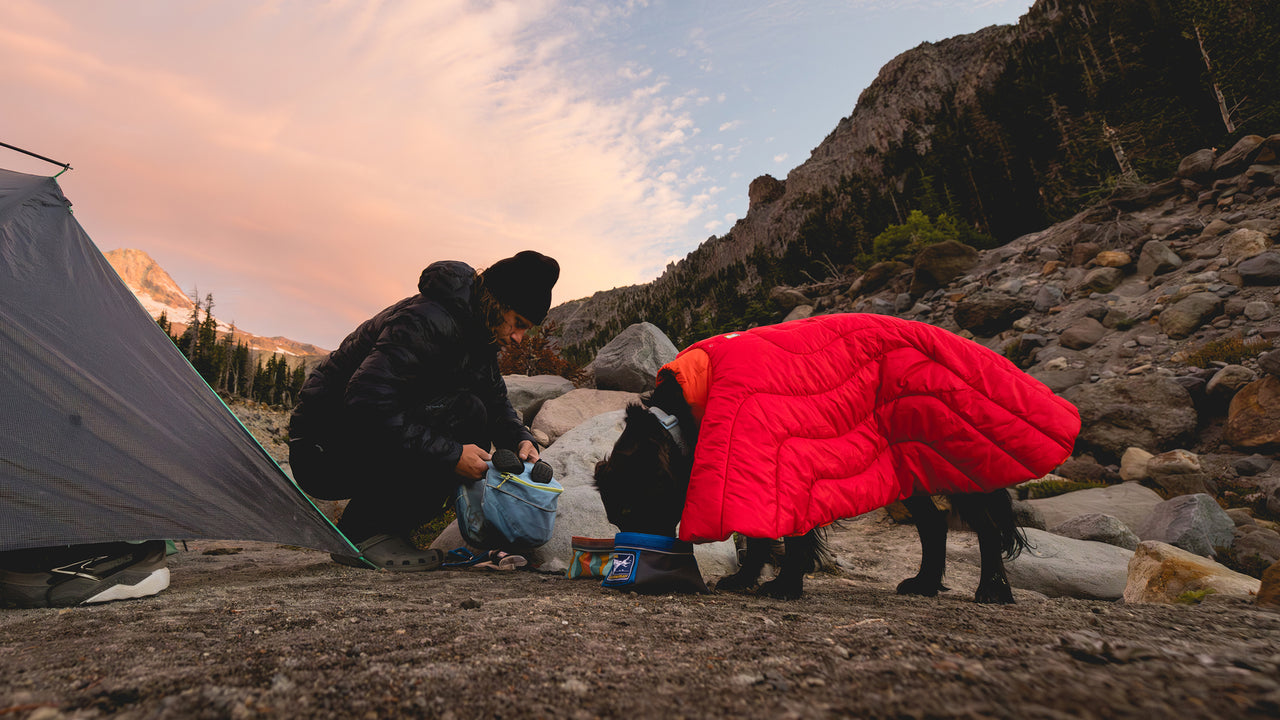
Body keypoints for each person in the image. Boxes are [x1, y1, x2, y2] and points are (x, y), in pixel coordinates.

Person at [288, 251, 560, 571]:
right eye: (519, 324)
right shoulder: (428, 320)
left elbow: (495, 401)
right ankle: (365, 532)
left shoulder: (477, 332)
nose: (518, 338)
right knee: (467, 419)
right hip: (323, 449)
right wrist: (452, 454)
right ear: (498, 303)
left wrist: (520, 440)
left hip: (353, 440)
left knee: (474, 413)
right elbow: (366, 401)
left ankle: (382, 529)